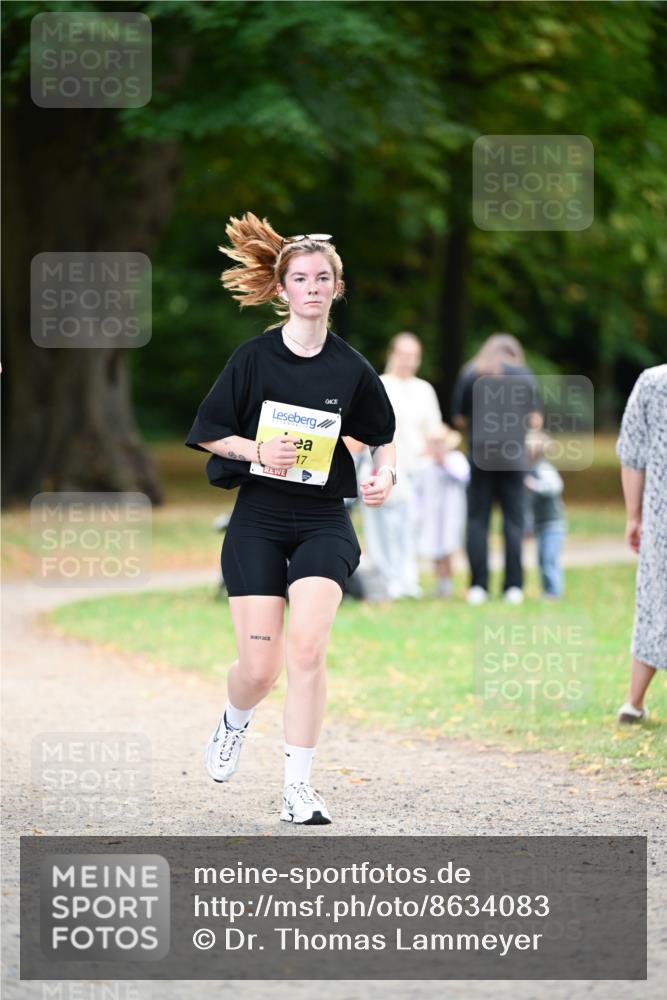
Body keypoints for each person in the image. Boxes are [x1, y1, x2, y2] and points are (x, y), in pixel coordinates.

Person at [185, 213, 397, 824]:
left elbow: (382, 437)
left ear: (336, 287)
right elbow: (207, 434)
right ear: (282, 290)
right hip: (258, 517)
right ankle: (234, 719)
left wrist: (385, 475)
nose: (311, 287)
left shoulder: (353, 368)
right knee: (260, 668)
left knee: (306, 651)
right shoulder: (252, 359)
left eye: (322, 277)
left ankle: (297, 788)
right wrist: (255, 450)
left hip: (324, 521)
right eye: (300, 278)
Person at [451, 333, 542, 605]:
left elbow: (458, 417)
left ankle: (478, 586)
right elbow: (536, 420)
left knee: (478, 521)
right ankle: (513, 587)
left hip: (480, 456)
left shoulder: (471, 373)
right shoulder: (525, 375)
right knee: (514, 522)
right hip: (515, 458)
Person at [359, 332, 442, 599]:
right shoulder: (379, 385)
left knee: (409, 527)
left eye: (413, 357)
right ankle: (387, 579)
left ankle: (407, 579)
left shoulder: (424, 389)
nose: (408, 361)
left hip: (415, 469)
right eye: (403, 355)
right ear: (392, 355)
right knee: (382, 527)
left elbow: (434, 430)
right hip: (380, 466)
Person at [615, 365, 667, 724]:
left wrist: (634, 516)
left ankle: (633, 702)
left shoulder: (653, 382)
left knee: (653, 599)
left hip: (661, 517)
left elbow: (632, 455)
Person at [413, 423, 469, 597]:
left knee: (448, 546)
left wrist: (444, 462)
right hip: (431, 513)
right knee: (433, 546)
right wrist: (418, 512)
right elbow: (418, 491)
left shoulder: (456, 459)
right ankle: (439, 581)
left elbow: (464, 477)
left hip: (451, 512)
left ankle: (447, 583)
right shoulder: (424, 464)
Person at [524, 430, 566, 599]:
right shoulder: (530, 470)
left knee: (549, 558)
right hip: (540, 524)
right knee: (542, 559)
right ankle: (547, 590)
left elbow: (556, 487)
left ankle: (554, 591)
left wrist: (535, 486)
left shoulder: (544, 468)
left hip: (553, 523)